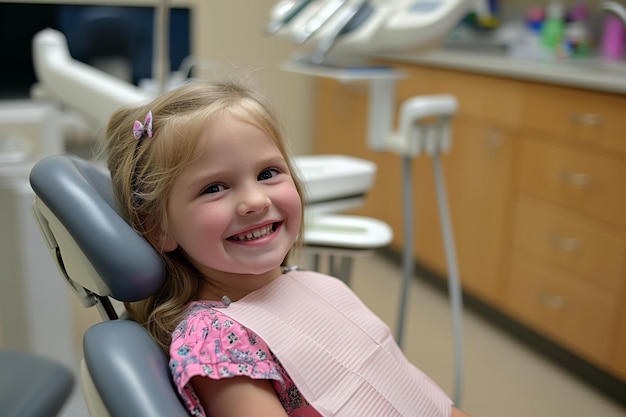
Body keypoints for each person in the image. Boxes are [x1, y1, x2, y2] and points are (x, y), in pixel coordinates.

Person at [102, 79, 471, 417]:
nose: (255, 200)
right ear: (158, 227)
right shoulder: (216, 340)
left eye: (267, 173)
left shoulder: (314, 285)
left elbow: (411, 390)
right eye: (214, 188)